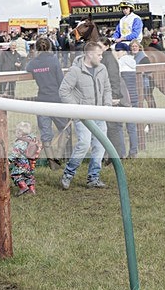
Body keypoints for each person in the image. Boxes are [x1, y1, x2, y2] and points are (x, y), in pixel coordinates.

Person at [58, 42, 112, 190]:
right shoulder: (75, 71)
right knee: (84, 143)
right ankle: (68, 174)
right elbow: (64, 91)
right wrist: (77, 108)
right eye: (99, 55)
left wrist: (107, 105)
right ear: (89, 54)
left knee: (100, 146)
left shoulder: (102, 69)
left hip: (100, 114)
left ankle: (93, 178)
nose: (101, 57)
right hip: (82, 116)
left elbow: (107, 88)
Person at [25, 37, 68, 168]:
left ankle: (52, 162)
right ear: (49, 47)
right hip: (56, 100)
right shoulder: (54, 60)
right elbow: (61, 80)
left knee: (46, 133)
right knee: (65, 128)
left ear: (37, 49)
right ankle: (59, 155)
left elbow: (27, 68)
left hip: (42, 100)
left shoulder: (34, 63)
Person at [98, 37, 128, 158]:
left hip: (112, 96)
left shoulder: (108, 58)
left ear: (106, 46)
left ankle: (118, 155)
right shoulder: (106, 57)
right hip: (109, 96)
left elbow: (114, 77)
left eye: (100, 46)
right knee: (112, 127)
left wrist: (114, 96)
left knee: (113, 127)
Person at [114, 42, 139, 158]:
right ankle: (133, 151)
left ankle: (121, 153)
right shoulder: (133, 62)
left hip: (124, 98)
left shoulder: (119, 64)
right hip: (134, 97)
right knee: (132, 127)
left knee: (118, 126)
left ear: (123, 51)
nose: (116, 53)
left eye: (118, 51)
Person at [9, 121, 40, 196]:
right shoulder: (32, 139)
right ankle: (32, 190)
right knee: (29, 176)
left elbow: (15, 153)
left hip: (22, 164)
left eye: (17, 131)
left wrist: (9, 160)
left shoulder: (19, 143)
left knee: (16, 175)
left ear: (20, 132)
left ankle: (23, 187)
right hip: (31, 163)